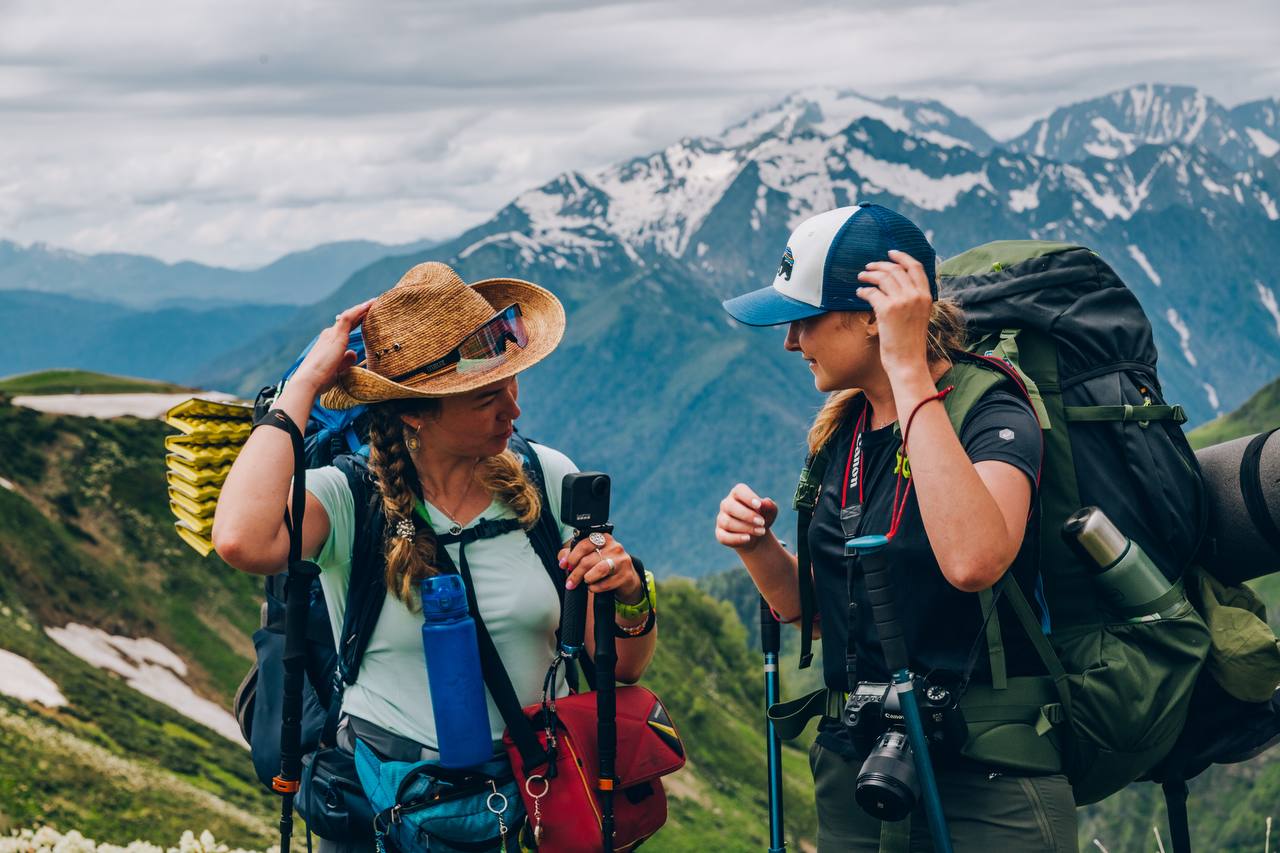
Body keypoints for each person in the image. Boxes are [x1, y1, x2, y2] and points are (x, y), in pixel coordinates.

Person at [213, 261, 657, 851]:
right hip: (382, 808)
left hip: (525, 800)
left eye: (511, 384)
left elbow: (620, 668)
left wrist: (629, 596)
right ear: (415, 411)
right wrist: (302, 389)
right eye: (485, 398)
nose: (513, 411)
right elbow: (241, 539)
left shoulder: (548, 479)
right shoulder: (348, 498)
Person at [715, 204, 1076, 851]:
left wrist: (907, 367)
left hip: (986, 779)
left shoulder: (992, 406)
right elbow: (831, 614)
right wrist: (758, 547)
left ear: (870, 316)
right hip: (864, 772)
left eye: (804, 320)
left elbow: (974, 560)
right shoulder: (843, 433)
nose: (791, 342)